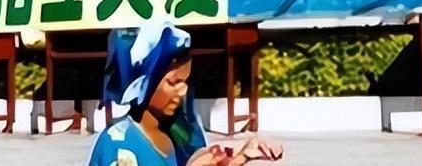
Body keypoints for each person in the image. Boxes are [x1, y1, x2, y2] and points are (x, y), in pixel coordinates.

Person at [89, 22, 282, 166]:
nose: (183, 90)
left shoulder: (176, 131)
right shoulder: (119, 146)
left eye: (186, 81)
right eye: (173, 82)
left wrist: (242, 155)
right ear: (141, 84)